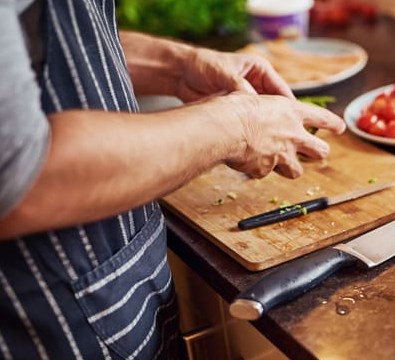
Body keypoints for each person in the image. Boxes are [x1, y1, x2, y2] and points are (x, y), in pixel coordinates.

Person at [0, 0, 345, 359]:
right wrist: (238, 126)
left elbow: (39, 43)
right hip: (46, 327)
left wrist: (176, 66)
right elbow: (21, 175)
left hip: (110, 293)